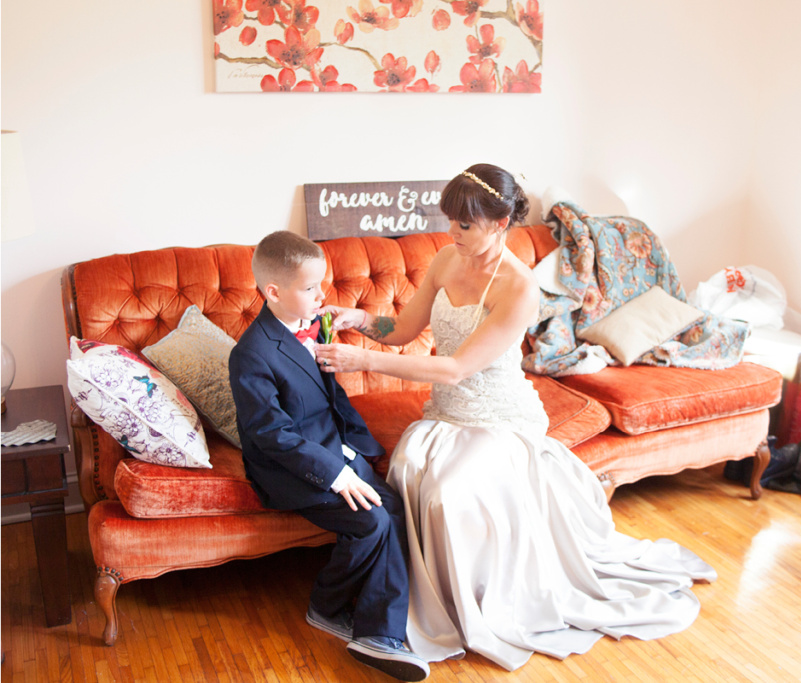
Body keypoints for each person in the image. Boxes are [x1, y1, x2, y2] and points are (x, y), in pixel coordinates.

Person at [314, 164, 717, 671]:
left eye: (466, 224)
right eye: (451, 221)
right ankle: (410, 603)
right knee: (410, 471)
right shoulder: (445, 260)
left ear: (500, 222)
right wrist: (364, 322)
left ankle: (473, 609)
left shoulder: (520, 288)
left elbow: (458, 368)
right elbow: (403, 328)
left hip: (496, 416)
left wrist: (364, 361)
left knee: (448, 494)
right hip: (446, 415)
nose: (452, 233)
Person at [228, 230, 430, 682]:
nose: (321, 296)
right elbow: (270, 434)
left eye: (321, 285)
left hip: (335, 445)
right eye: (310, 289)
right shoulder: (251, 354)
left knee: (394, 504)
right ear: (273, 292)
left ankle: (381, 629)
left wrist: (360, 449)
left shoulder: (313, 323)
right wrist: (337, 475)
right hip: (291, 467)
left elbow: (331, 396)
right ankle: (329, 606)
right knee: (372, 520)